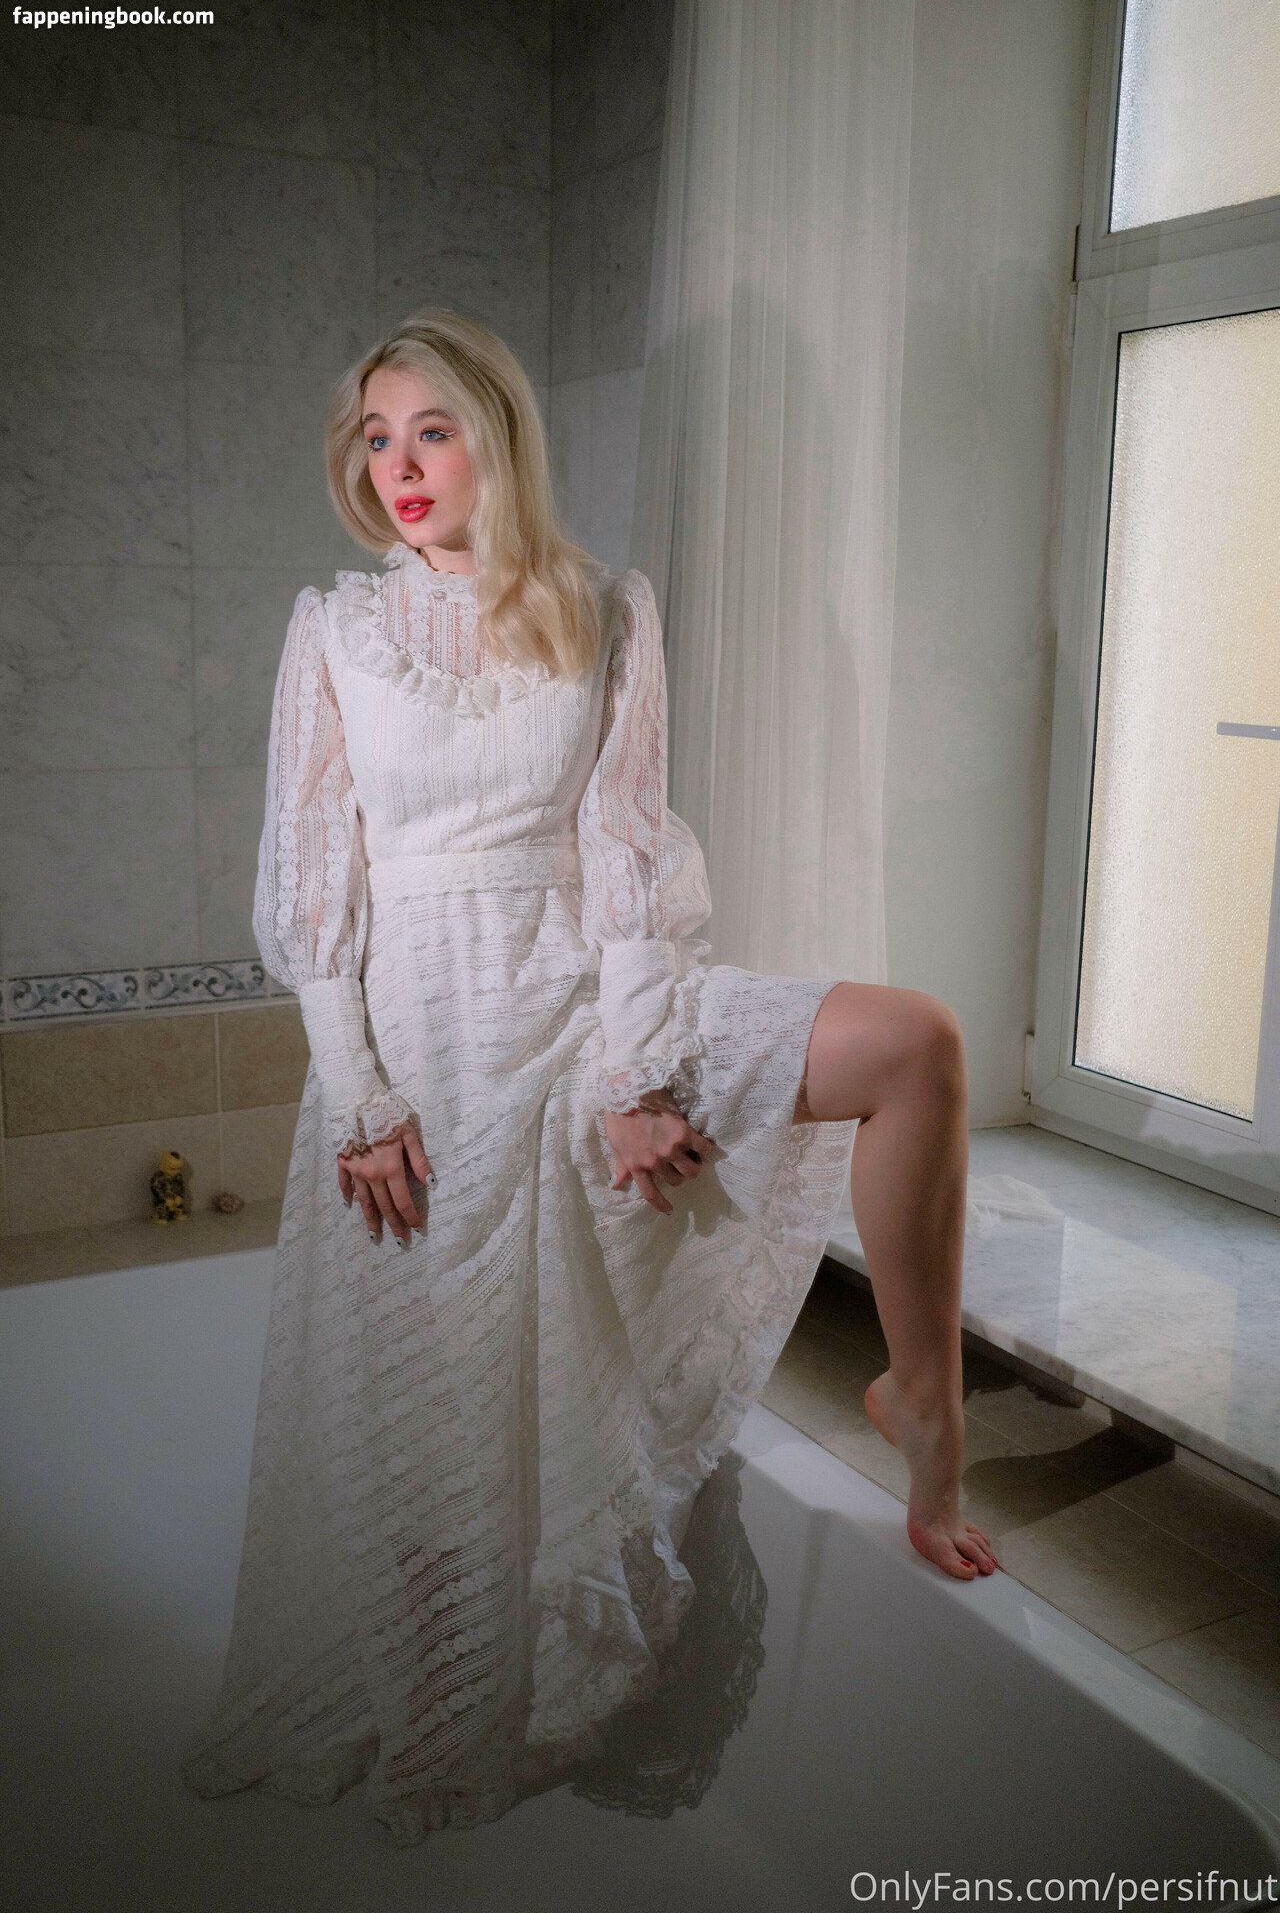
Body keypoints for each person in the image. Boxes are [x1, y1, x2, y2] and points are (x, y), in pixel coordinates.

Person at [181, 307, 995, 1847]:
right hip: (418, 1065)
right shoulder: (335, 630)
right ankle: (452, 1724)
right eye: (378, 436)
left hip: (588, 1018)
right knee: (433, 1435)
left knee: (918, 1044)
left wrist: (634, 1074)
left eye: (434, 430)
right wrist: (360, 1100)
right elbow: (313, 887)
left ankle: (926, 1408)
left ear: (496, 439)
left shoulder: (603, 609)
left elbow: (623, 864)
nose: (402, 463)